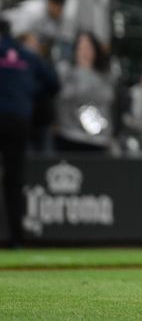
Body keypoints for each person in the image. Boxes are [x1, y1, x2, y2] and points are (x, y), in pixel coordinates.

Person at [0, 20, 60, 247]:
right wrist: (29, 93)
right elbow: (54, 84)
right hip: (19, 121)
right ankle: (17, 239)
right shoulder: (27, 55)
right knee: (14, 180)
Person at [55, 32, 114, 152]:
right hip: (70, 136)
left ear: (95, 50)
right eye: (80, 48)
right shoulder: (65, 72)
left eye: (88, 48)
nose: (84, 52)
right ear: (74, 51)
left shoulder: (105, 76)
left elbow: (108, 100)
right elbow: (65, 97)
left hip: (99, 138)